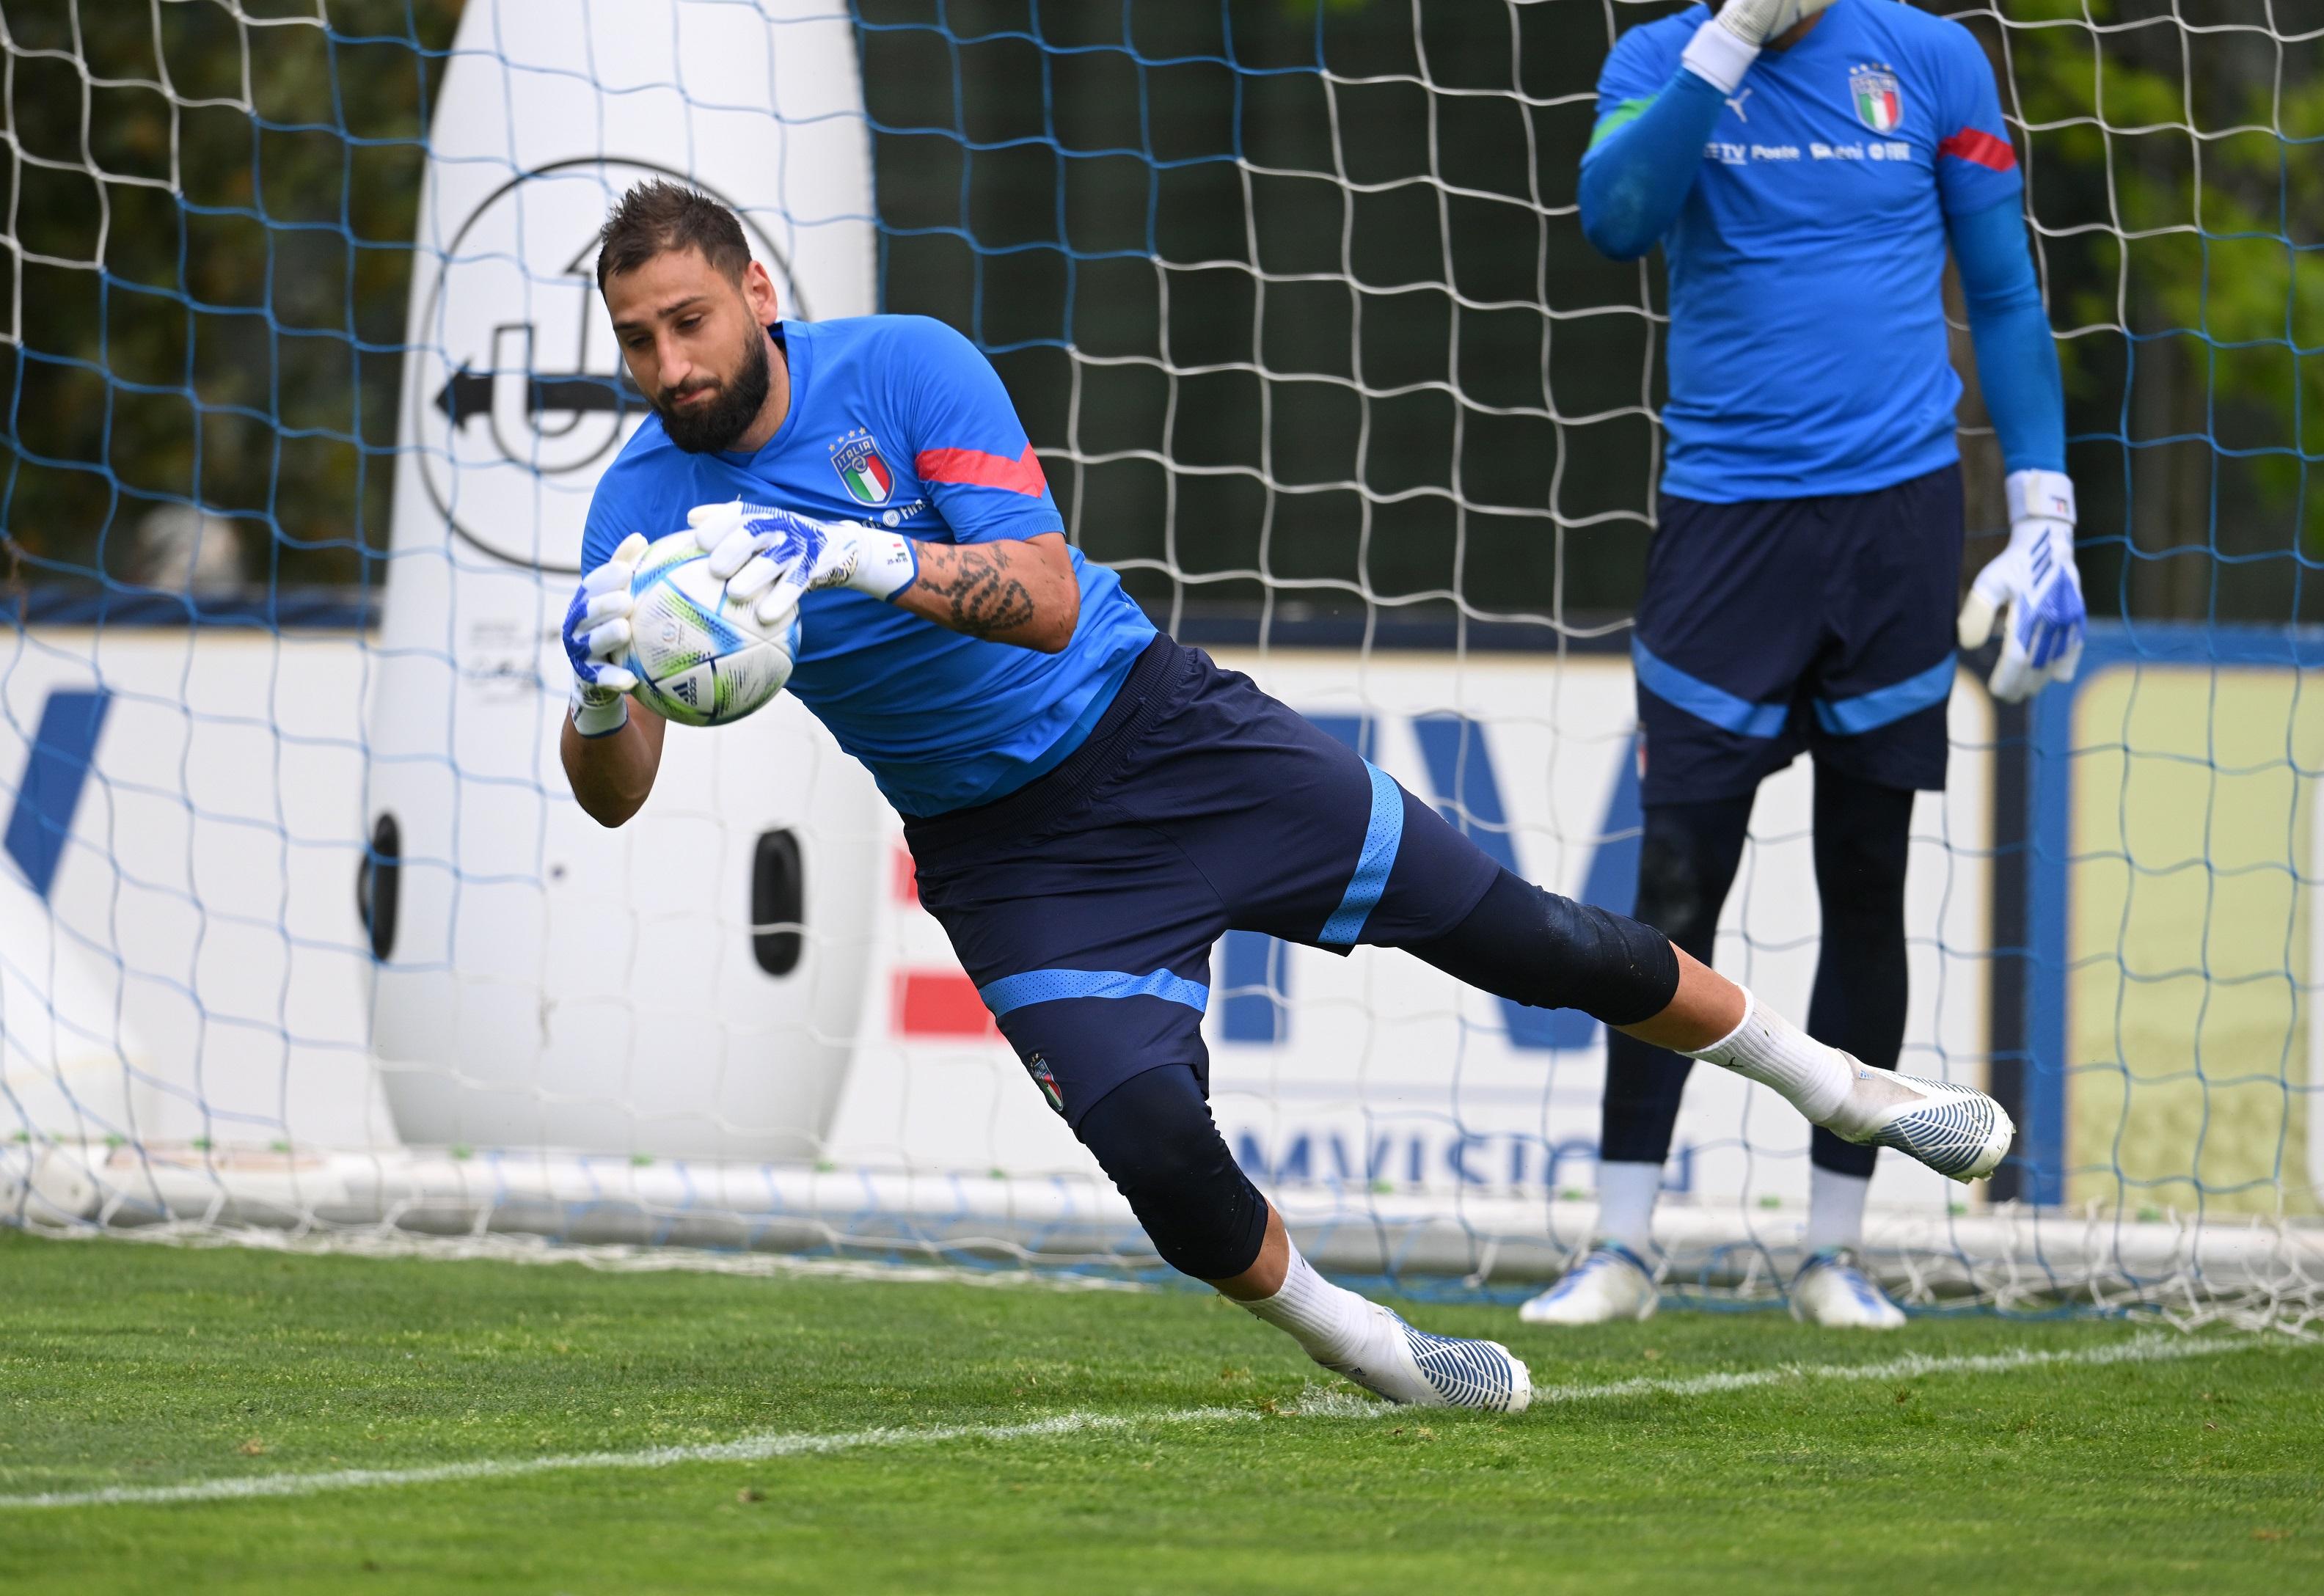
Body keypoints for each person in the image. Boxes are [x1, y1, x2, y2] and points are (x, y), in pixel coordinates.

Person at [559, 181, 2014, 1408]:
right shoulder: (638, 509)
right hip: (1008, 856)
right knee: (1162, 1162)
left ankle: (1850, 1087)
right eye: (638, 341)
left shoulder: (905, 366)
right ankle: (1382, 1351)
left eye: (690, 322)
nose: (670, 364)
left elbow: (1053, 601)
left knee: (1534, 939)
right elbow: (619, 799)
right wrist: (597, 693)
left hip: (1171, 738)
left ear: (756, 289)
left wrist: (858, 557)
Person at [1528, 0, 2083, 1330]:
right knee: (1674, 884)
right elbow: (1615, 219)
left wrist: (2045, 510)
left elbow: (2003, 290)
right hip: (1726, 524)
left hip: (1897, 526)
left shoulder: (1935, 58)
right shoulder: (1658, 58)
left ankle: (1835, 1251)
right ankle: (1622, 1247)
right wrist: (1724, 46)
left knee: (1867, 879)